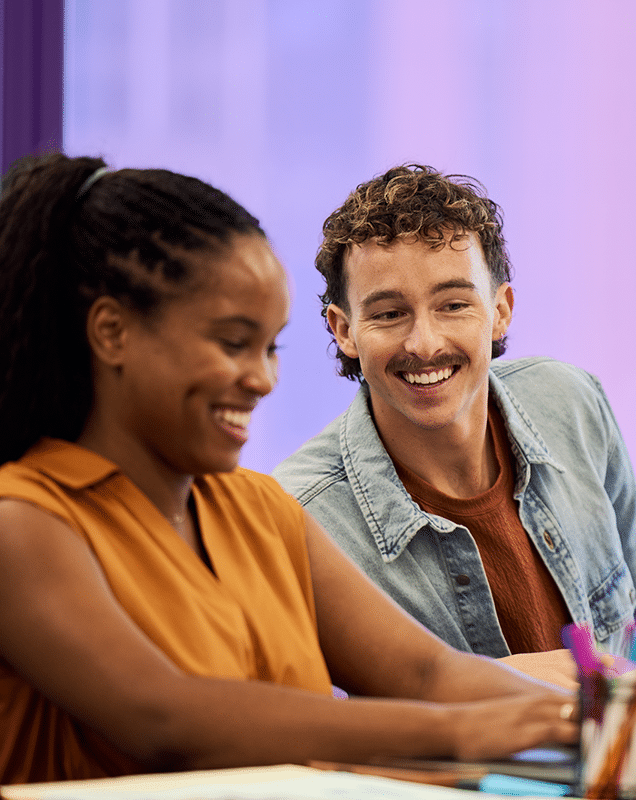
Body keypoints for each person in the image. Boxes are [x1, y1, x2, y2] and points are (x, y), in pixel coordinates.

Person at [0, 153, 579, 785]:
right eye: (232, 344)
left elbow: (425, 674)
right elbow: (164, 720)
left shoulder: (260, 510)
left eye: (270, 346)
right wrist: (461, 732)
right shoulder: (22, 522)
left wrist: (596, 721)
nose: (263, 379)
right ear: (112, 333)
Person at [272, 164, 636, 677]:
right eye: (390, 314)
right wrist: (510, 686)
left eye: (453, 304)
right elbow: (311, 729)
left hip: (621, 757)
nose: (425, 343)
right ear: (344, 329)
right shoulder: (300, 518)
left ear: (501, 309)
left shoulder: (567, 403)